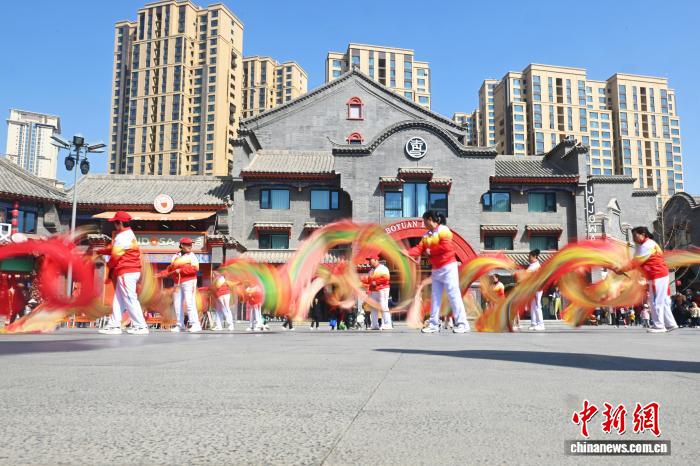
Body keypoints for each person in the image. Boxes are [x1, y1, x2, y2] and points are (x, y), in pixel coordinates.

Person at [406, 211, 469, 334]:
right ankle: (434, 324)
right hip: (436, 269)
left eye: (424, 221)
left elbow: (447, 247)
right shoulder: (426, 236)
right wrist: (407, 252)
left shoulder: (443, 230)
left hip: (448, 267)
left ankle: (463, 324)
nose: (424, 223)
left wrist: (431, 251)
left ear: (430, 219)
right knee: (435, 297)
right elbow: (419, 249)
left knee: (453, 295)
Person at [613, 226, 678, 333]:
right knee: (664, 300)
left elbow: (635, 262)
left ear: (643, 234)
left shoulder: (646, 246)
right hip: (660, 274)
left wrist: (621, 269)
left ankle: (659, 326)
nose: (633, 238)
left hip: (656, 275)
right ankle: (670, 324)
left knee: (656, 301)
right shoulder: (650, 244)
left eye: (635, 235)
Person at [97, 211, 149, 335]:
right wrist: (101, 251)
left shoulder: (122, 237)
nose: (114, 225)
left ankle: (141, 326)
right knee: (119, 299)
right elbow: (115, 250)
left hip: (127, 271)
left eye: (115, 223)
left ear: (120, 223)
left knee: (130, 298)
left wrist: (108, 267)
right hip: (130, 271)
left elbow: (115, 256)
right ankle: (114, 325)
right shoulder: (128, 234)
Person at [161, 238, 201, 333]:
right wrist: (161, 274)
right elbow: (170, 269)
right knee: (177, 303)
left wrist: (181, 270)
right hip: (177, 282)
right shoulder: (175, 256)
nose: (190, 246)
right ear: (182, 245)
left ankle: (195, 324)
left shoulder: (192, 256)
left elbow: (195, 268)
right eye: (188, 245)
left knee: (190, 302)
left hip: (189, 281)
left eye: (191, 245)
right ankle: (180, 325)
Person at [363, 252, 392, 331]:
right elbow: (369, 281)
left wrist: (376, 282)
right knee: (373, 307)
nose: (369, 262)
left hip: (383, 289)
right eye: (368, 260)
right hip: (374, 291)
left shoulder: (383, 268)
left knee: (383, 306)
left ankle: (387, 324)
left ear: (376, 260)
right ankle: (374, 325)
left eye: (370, 260)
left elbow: (386, 278)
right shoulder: (371, 271)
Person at [525, 249, 545, 331]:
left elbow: (527, 274)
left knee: (537, 306)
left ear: (535, 257)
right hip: (533, 288)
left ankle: (541, 324)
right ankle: (534, 323)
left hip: (537, 288)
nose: (528, 258)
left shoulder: (536, 266)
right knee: (533, 306)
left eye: (529, 257)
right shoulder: (532, 265)